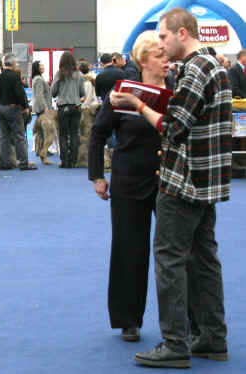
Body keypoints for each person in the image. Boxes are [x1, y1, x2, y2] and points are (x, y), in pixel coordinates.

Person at [110, 8, 232, 368]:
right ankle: (212, 337)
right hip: (208, 182)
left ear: (182, 33)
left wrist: (136, 103)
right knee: (205, 261)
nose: (160, 44)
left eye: (163, 37)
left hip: (183, 181)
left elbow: (172, 126)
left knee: (169, 262)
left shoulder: (195, 70)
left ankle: (175, 344)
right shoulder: (215, 65)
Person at [89, 31, 172, 343]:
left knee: (174, 256)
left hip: (169, 182)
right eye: (160, 55)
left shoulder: (176, 90)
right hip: (128, 181)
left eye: (167, 54)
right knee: (129, 250)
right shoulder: (121, 92)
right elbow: (98, 134)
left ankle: (177, 325)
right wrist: (97, 176)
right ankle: (128, 321)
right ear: (143, 61)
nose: (167, 60)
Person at [0, 54, 37, 170]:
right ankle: (23, 163)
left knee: (3, 137)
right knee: (19, 136)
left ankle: (5, 163)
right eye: (16, 63)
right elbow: (20, 93)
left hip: (1, 109)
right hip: (13, 109)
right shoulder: (15, 77)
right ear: (13, 64)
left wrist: (0, 103)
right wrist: (25, 106)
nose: (17, 65)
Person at [51, 52, 85, 168]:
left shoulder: (59, 74)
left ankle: (64, 161)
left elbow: (53, 92)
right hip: (76, 107)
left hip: (63, 107)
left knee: (63, 135)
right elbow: (82, 93)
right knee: (74, 134)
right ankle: (73, 161)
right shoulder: (79, 74)